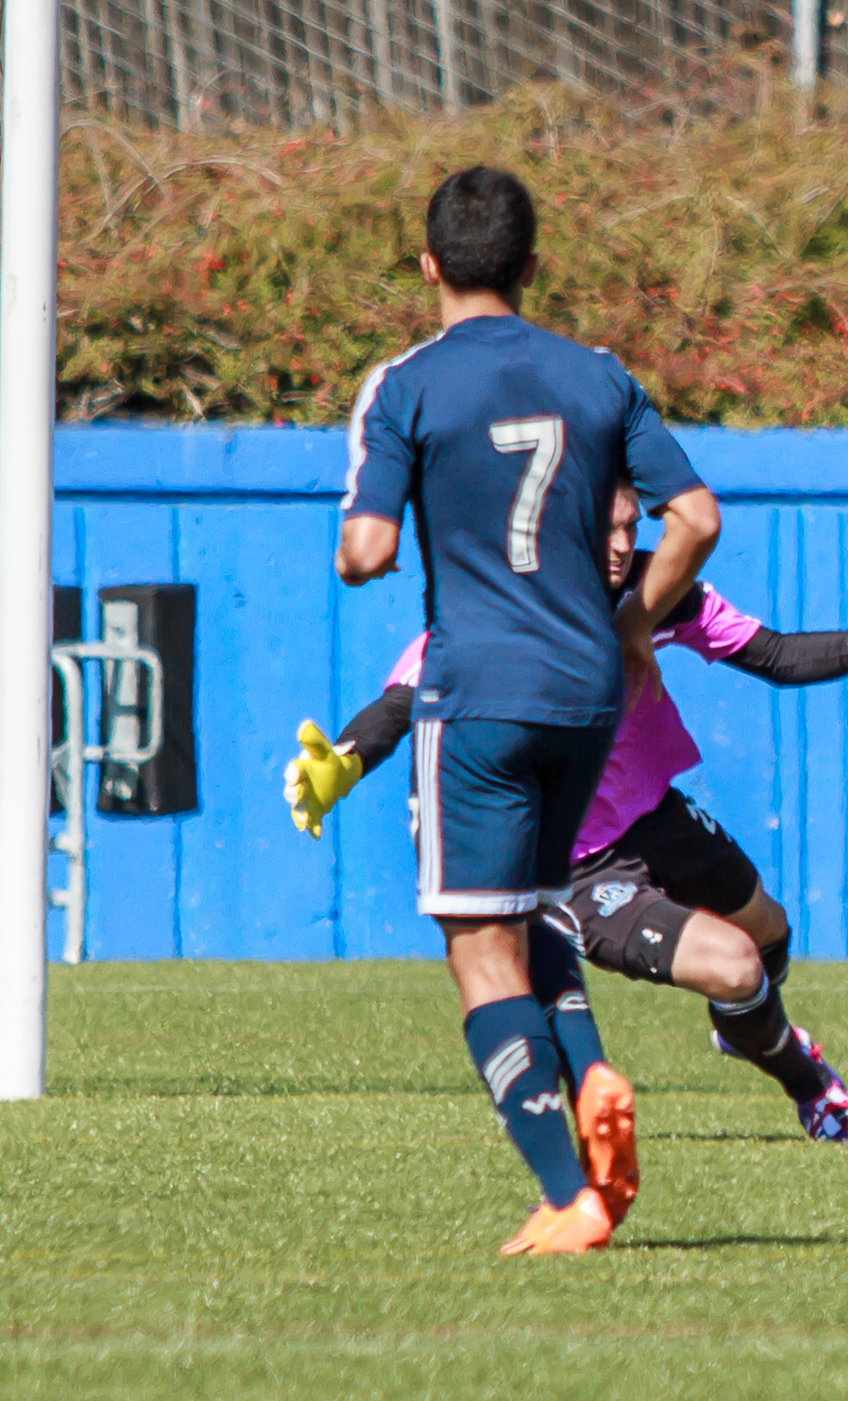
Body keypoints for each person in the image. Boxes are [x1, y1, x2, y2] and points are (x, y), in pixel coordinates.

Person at [293, 486, 848, 1145]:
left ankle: (745, 1030)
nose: (621, 546)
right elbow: (402, 702)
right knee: (738, 969)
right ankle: (816, 1093)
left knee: (769, 935)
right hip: (577, 867)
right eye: (604, 530)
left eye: (631, 526)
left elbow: (769, 653)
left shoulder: (654, 590)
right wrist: (344, 763)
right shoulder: (500, 614)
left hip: (656, 816)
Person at [332, 167, 721, 1254]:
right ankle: (591, 1077)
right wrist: (636, 618)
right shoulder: (597, 375)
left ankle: (569, 1194)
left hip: (479, 690)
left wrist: (372, 536)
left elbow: (365, 554)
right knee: (541, 906)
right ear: (532, 266)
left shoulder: (406, 382)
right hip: (584, 694)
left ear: (426, 267)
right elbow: (695, 515)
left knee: (477, 947)